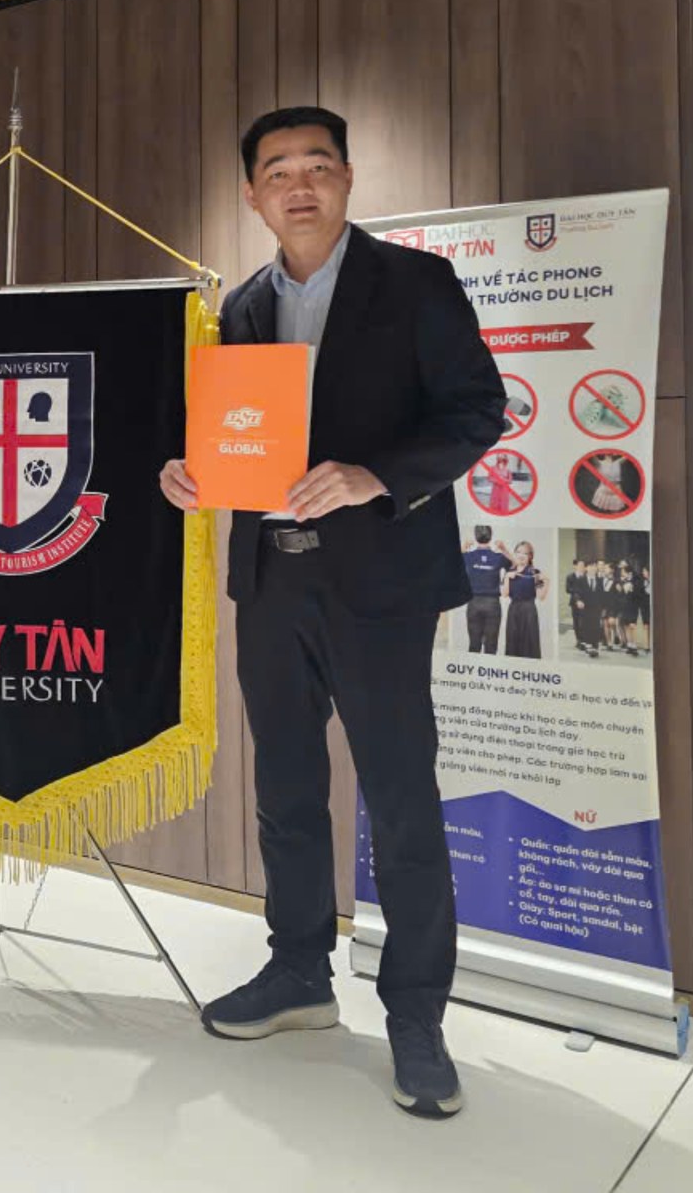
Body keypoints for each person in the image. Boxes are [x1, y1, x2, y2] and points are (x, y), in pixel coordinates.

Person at [158, 106, 503, 1119]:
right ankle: (298, 972)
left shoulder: (416, 284)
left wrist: (372, 477)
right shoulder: (242, 305)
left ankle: (415, 1013)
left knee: (398, 796)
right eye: (277, 171)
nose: (298, 185)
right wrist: (189, 474)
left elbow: (475, 410)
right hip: (272, 581)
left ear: (347, 179)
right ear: (251, 195)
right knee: (286, 788)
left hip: (381, 584)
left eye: (316, 166)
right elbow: (231, 436)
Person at [462, 526, 511, 653]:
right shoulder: (498, 556)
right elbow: (516, 565)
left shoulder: (468, 556)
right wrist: (504, 549)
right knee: (491, 646)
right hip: (492, 604)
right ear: (491, 536)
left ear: (475, 536)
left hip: (474, 603)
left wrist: (464, 546)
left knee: (474, 644)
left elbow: (451, 563)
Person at [502, 542, 547, 659]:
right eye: (518, 552)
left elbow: (541, 597)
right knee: (512, 643)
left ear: (530, 556)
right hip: (513, 610)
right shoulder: (510, 571)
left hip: (529, 611)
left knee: (529, 645)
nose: (521, 555)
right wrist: (507, 577)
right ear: (515, 554)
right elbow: (505, 594)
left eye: (525, 553)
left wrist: (547, 581)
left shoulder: (535, 573)